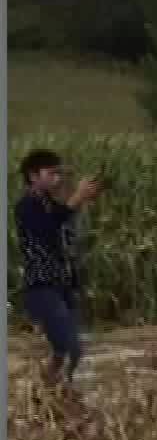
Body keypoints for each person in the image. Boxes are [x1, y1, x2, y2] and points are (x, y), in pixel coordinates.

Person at [15, 149, 103, 394]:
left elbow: (64, 224)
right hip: (42, 287)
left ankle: (47, 394)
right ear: (33, 176)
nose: (58, 179)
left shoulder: (47, 203)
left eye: (59, 173)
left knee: (64, 350)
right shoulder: (27, 206)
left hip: (61, 285)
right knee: (70, 347)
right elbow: (49, 227)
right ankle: (59, 396)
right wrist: (77, 198)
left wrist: (82, 200)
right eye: (52, 173)